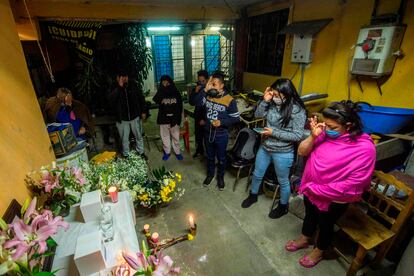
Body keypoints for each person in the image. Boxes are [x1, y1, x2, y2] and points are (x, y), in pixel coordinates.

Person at [285, 101, 376, 268]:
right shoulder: (324, 133)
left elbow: (354, 183)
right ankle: (305, 238)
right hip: (311, 189)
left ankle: (319, 250)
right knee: (310, 215)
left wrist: (316, 188)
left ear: (348, 125)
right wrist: (313, 135)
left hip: (334, 197)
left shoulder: (364, 148)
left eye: (332, 126)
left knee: (325, 224)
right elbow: (302, 151)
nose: (326, 129)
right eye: (325, 124)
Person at [241, 78, 306, 219]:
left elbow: (297, 135)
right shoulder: (270, 103)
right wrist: (265, 100)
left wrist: (273, 132)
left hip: (283, 152)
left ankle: (283, 207)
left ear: (287, 93)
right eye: (273, 94)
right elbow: (257, 116)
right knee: (257, 174)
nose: (275, 97)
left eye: (277, 95)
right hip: (265, 147)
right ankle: (253, 195)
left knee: (283, 180)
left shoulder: (297, 110)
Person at [192, 72, 240, 190]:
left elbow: (236, 118)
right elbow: (196, 104)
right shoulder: (207, 95)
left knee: (222, 159)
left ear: (222, 85)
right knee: (209, 156)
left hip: (221, 134)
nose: (212, 87)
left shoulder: (229, 100)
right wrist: (204, 89)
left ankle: (220, 178)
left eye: (215, 84)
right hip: (207, 132)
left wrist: (221, 122)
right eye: (210, 84)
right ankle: (210, 175)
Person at [108, 70, 147, 158]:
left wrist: (144, 111)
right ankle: (126, 154)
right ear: (118, 78)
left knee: (138, 135)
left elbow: (141, 98)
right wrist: (119, 87)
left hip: (134, 116)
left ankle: (141, 152)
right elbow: (110, 101)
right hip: (122, 118)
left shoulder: (133, 85)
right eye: (122, 77)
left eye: (126, 76)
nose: (124, 79)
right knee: (124, 138)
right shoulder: (114, 87)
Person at [153, 75, 184, 161]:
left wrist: (179, 119)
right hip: (163, 118)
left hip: (174, 118)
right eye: (163, 82)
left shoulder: (176, 92)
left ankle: (177, 152)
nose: (165, 83)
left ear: (170, 82)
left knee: (175, 136)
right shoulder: (161, 92)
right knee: (165, 136)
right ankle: (167, 152)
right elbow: (155, 99)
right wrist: (162, 88)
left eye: (166, 81)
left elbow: (180, 106)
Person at [189, 70, 208, 158]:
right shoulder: (196, 88)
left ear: (207, 80)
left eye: (203, 81)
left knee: (207, 137)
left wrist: (205, 119)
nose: (201, 83)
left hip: (207, 117)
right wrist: (195, 92)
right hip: (198, 115)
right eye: (199, 81)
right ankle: (199, 151)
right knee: (198, 135)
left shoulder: (211, 90)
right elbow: (191, 102)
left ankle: (208, 153)